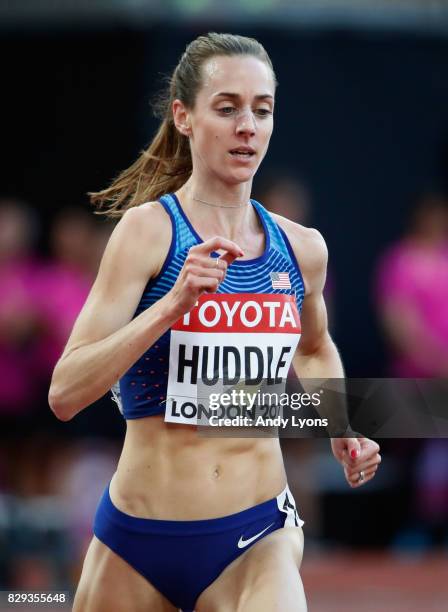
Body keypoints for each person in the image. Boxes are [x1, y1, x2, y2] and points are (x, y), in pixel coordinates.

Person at [49, 33, 381, 612]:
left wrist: (341, 426)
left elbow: (314, 347)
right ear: (184, 116)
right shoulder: (148, 232)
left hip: (257, 535)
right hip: (138, 540)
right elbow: (66, 392)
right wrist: (171, 306)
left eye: (262, 109)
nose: (247, 126)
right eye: (227, 108)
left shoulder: (302, 248)